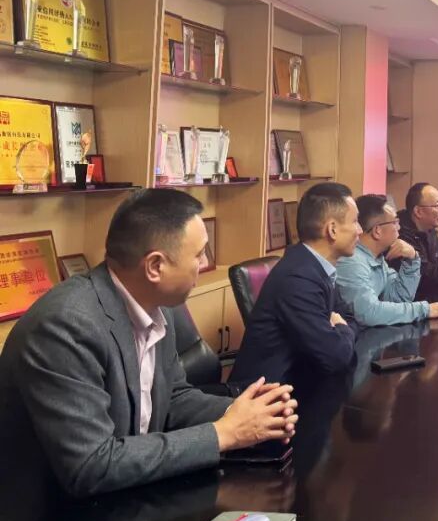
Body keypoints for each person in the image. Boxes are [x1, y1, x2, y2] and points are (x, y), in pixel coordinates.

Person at [0, 189, 298, 501]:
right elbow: (91, 466)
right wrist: (223, 434)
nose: (204, 263)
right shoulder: (66, 327)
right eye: (199, 254)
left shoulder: (154, 304)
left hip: (124, 492)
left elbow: (172, 398)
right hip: (50, 515)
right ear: (155, 266)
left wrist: (246, 413)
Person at [232, 182, 361, 386]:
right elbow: (336, 357)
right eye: (355, 221)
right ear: (332, 230)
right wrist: (342, 329)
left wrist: (340, 329)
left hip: (303, 382)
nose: (359, 230)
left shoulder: (315, 267)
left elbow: (350, 318)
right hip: (268, 395)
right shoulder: (298, 278)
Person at [337, 194, 438, 325]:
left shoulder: (376, 258)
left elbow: (398, 298)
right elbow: (368, 313)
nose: (399, 228)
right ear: (377, 231)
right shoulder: (352, 262)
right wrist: (424, 309)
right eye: (394, 222)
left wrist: (412, 260)